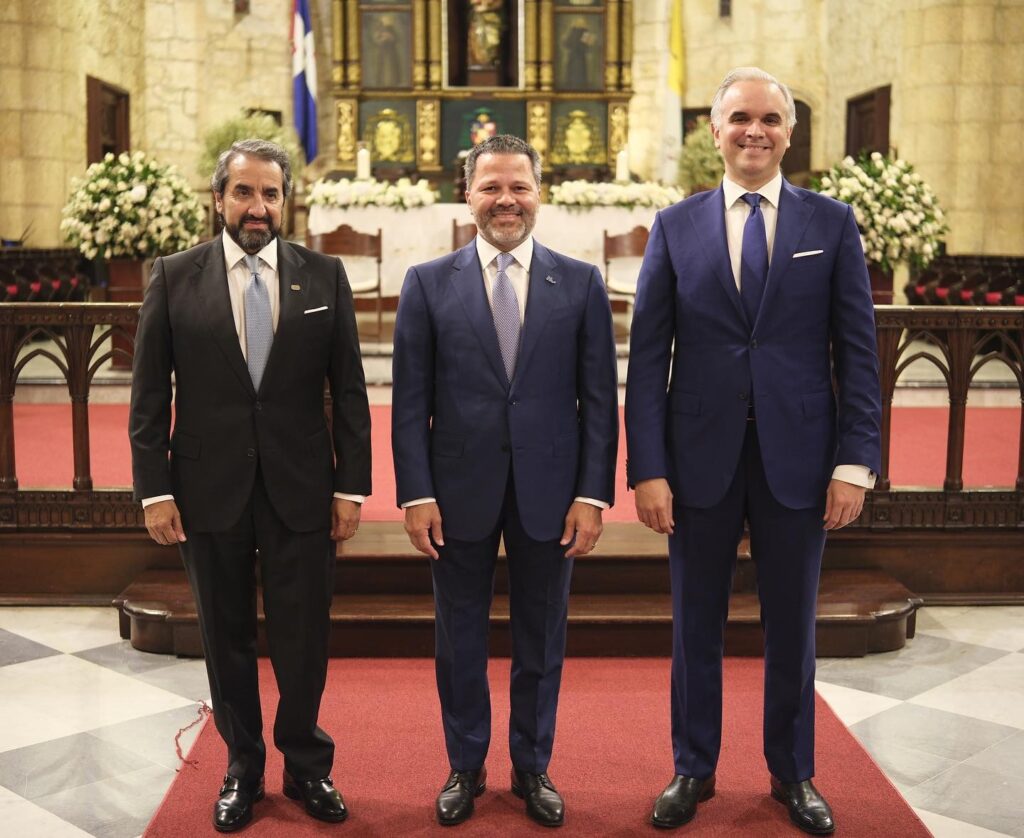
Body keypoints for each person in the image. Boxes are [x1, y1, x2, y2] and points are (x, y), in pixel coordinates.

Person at [625, 68, 881, 835]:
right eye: (740, 117)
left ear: (790, 133)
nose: (755, 131)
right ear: (714, 129)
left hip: (799, 459)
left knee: (792, 627)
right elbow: (648, 358)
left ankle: (793, 773)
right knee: (694, 626)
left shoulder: (831, 223)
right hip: (697, 459)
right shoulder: (676, 226)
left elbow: (857, 353)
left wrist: (854, 461)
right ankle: (692, 768)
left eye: (770, 118)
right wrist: (648, 468)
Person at [129, 139, 371, 832]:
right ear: (219, 199)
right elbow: (149, 395)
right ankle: (242, 765)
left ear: (285, 201)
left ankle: (306, 765)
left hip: (301, 485)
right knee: (225, 633)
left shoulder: (323, 276)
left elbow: (349, 391)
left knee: (303, 636)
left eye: (270, 194)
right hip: (207, 486)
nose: (257, 207)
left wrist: (351, 487)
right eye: (243, 192)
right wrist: (154, 490)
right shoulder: (175, 276)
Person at [391, 134, 618, 828]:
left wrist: (591, 494)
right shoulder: (427, 282)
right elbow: (410, 401)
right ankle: (465, 765)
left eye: (519, 186)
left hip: (551, 492)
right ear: (468, 194)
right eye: (491, 186)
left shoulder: (580, 283)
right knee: (458, 637)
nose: (506, 200)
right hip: (457, 491)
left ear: (539, 194)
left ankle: (532, 765)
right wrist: (416, 492)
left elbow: (599, 401)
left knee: (542, 638)